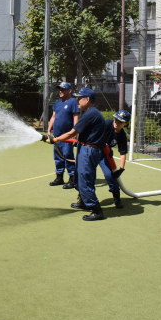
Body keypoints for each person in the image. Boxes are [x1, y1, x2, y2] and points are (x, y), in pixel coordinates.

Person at [53, 87, 107, 221]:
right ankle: (83, 201)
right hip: (84, 148)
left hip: (89, 151)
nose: (77, 101)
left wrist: (55, 139)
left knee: (85, 178)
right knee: (78, 177)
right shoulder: (89, 112)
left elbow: (72, 132)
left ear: (87, 99)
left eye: (79, 98)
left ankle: (96, 210)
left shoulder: (91, 114)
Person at [47, 82, 80, 189]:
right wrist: (49, 129)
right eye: (59, 89)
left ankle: (72, 179)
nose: (60, 91)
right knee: (58, 157)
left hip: (68, 137)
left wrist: (75, 133)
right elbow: (53, 117)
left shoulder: (73, 101)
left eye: (63, 89)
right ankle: (59, 178)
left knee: (68, 157)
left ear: (69, 91)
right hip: (56, 136)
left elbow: (76, 117)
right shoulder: (57, 102)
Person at [99, 109, 131, 209]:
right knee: (87, 175)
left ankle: (117, 197)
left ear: (126, 123)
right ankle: (82, 198)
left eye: (120, 121)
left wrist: (121, 169)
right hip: (93, 151)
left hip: (105, 155)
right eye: (116, 119)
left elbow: (122, 153)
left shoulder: (122, 135)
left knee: (110, 176)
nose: (116, 123)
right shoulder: (107, 124)